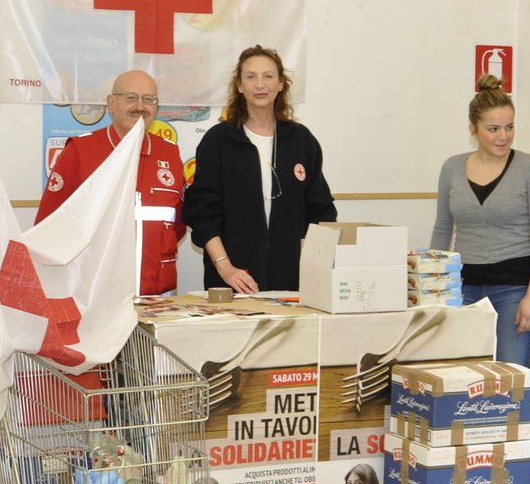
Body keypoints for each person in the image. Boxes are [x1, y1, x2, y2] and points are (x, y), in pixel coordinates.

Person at [185, 45, 336, 293]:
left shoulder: (301, 141)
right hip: (232, 282)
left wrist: (313, 270)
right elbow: (202, 213)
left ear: (280, 84)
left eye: (268, 76)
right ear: (240, 86)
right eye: (251, 76)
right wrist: (225, 268)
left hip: (292, 283)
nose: (260, 84)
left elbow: (321, 213)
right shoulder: (218, 141)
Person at [429, 74, 530, 365]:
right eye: (493, 128)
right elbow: (442, 229)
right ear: (474, 129)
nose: (503, 136)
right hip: (464, 287)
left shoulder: (529, 168)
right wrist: (435, 288)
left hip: (513, 289)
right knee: (462, 373)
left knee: (511, 376)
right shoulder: (452, 168)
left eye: (510, 127)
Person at [35, 69, 185, 296]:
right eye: (131, 97)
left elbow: (178, 225)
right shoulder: (80, 152)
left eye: (149, 99)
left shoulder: (169, 153)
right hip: (95, 294)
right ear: (111, 103)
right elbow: (49, 225)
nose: (141, 106)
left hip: (156, 293)